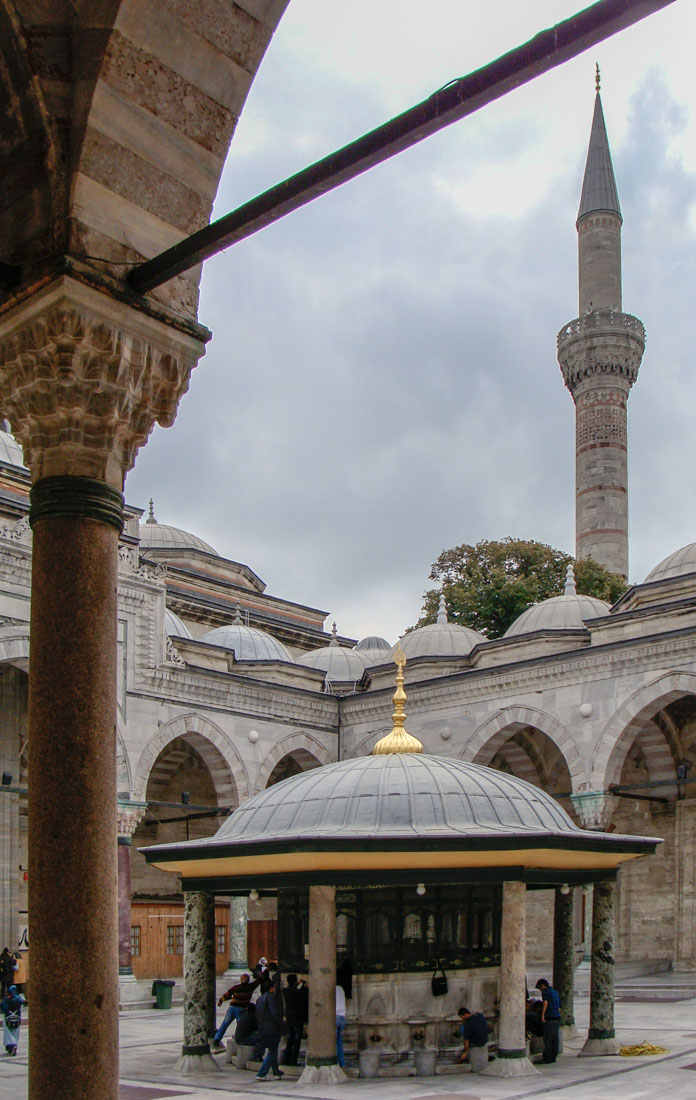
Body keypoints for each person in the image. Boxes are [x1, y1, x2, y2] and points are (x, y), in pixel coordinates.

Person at [212, 972, 260, 1051]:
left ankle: (217, 1038)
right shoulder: (250, 987)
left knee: (225, 1023)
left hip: (232, 1007)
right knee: (241, 1023)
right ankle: (240, 1036)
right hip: (241, 1009)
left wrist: (221, 1001)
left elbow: (227, 995)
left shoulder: (236, 987)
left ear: (241, 980)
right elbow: (258, 981)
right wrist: (267, 970)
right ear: (248, 980)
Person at [255, 977, 285, 1080]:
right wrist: (281, 1024)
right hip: (271, 1028)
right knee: (272, 1050)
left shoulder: (259, 999)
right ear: (271, 988)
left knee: (273, 1049)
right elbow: (275, 1013)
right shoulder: (270, 998)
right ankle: (261, 1073)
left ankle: (276, 1072)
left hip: (262, 1028)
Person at [281, 973, 307, 1066]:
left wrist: (297, 984)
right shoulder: (298, 993)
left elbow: (292, 989)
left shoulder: (285, 991)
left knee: (289, 1040)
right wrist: (303, 986)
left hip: (289, 1018)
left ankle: (287, 1059)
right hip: (297, 1019)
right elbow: (303, 995)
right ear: (295, 981)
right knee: (296, 1041)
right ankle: (293, 1060)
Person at [536, 978, 561, 1064]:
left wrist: (543, 1015)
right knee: (555, 1038)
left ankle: (548, 1057)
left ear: (542, 986)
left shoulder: (546, 992)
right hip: (557, 1017)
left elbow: (545, 1003)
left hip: (550, 1017)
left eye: (540, 988)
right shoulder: (555, 992)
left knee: (548, 1039)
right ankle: (554, 1056)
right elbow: (559, 1007)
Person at [458, 1006, 489, 1072]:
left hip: (476, 1043)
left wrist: (466, 1052)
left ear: (464, 1015)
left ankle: (465, 1058)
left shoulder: (467, 1024)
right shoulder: (480, 1016)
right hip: (485, 1040)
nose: (462, 1019)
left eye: (461, 1017)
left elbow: (466, 1040)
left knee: (464, 1033)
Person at [1, 985, 25, 1056]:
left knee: (8, 1033)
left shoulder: (6, 999)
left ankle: (11, 1046)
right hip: (17, 1019)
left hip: (8, 1019)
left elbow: (3, 1008)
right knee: (15, 1033)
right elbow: (21, 1009)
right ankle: (14, 1045)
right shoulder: (19, 999)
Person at [335, 983, 347, 1068]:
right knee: (339, 1041)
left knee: (333, 1042)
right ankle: (342, 1063)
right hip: (342, 1016)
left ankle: (335, 1062)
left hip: (335, 1016)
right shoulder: (341, 989)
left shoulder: (331, 989)